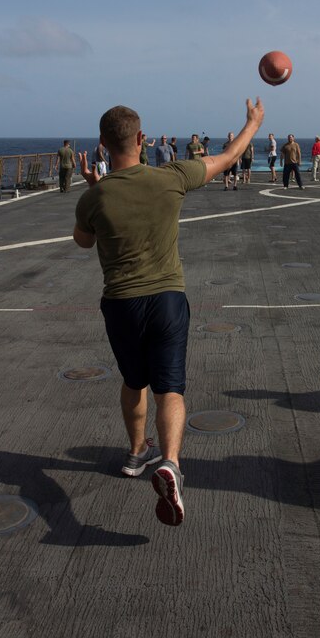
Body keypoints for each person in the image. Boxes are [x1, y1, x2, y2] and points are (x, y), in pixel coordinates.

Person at [73, 98, 264, 526]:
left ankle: (137, 452)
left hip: (120, 302)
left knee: (133, 380)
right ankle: (170, 463)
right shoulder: (172, 177)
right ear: (142, 139)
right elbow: (229, 156)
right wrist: (252, 122)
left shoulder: (96, 196)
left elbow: (83, 241)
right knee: (170, 389)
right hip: (167, 299)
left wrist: (94, 189)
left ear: (102, 145)